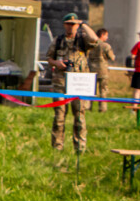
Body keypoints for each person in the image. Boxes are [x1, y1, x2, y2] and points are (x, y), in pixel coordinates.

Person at [46, 13, 99, 153]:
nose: (71, 26)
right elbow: (49, 58)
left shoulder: (83, 40)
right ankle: (57, 147)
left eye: (74, 24)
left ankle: (80, 148)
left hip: (79, 83)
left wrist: (84, 25)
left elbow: (95, 39)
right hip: (61, 82)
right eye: (69, 23)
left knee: (80, 117)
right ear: (64, 25)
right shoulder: (58, 40)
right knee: (59, 116)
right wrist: (57, 63)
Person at [88, 28, 115, 112]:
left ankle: (88, 107)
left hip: (91, 70)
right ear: (102, 35)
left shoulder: (90, 45)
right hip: (102, 71)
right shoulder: (105, 46)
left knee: (90, 90)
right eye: (106, 35)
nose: (107, 37)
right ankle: (102, 108)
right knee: (103, 90)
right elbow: (112, 57)